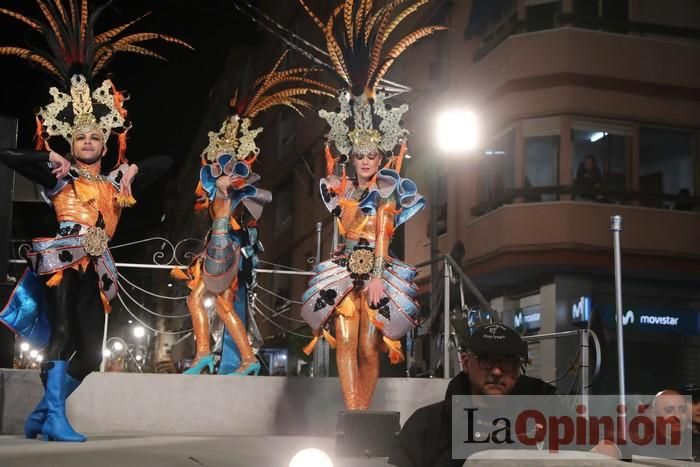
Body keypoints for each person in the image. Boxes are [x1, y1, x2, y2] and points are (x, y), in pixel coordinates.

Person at [0, 0, 188, 442]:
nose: (87, 142)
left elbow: (167, 160)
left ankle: (46, 413)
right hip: (63, 258)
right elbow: (6, 155)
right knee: (61, 332)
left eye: (94, 137)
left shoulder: (116, 182)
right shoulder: (59, 175)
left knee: (93, 353)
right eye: (80, 137)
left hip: (100, 266)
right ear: (72, 142)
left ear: (106, 143)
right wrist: (46, 157)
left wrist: (135, 169)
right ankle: (55, 419)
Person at [297, 0, 444, 410]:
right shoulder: (337, 187)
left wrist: (378, 274)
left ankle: (363, 410)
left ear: (381, 158)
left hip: (379, 270)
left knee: (368, 345)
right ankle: (354, 413)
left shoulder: (389, 190)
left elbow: (383, 230)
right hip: (343, 268)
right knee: (344, 341)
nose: (365, 161)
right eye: (359, 155)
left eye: (372, 156)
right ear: (351, 156)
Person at [174, 53, 331, 375]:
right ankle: (208, 352)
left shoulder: (238, 182)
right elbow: (202, 201)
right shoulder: (215, 181)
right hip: (213, 245)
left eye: (228, 157)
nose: (222, 163)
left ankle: (242, 357)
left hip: (227, 246)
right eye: (219, 157)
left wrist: (223, 187)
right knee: (197, 301)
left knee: (222, 303)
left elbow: (242, 205)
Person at [388, 323, 556, 466]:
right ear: (466, 362)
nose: (497, 371)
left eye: (507, 361)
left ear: (518, 368)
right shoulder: (428, 425)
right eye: (486, 360)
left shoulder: (549, 418)